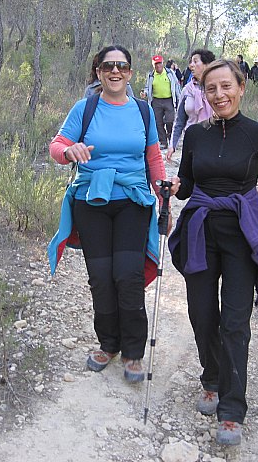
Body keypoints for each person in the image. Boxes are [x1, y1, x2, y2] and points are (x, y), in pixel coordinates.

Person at [167, 59, 258, 445]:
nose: (219, 94)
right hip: (201, 230)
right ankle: (211, 378)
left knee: (235, 322)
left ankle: (231, 408)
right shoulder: (196, 135)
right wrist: (174, 187)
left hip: (241, 235)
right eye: (211, 88)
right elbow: (188, 182)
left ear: (241, 87)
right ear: (204, 93)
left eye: (226, 86)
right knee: (202, 313)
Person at [48, 45, 168, 384]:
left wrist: (163, 193)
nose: (115, 71)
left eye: (122, 66)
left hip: (133, 200)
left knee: (128, 275)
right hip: (92, 200)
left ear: (130, 73)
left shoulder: (143, 111)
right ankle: (108, 344)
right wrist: (69, 151)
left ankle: (133, 352)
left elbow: (153, 158)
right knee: (100, 277)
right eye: (108, 66)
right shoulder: (84, 108)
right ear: (98, 72)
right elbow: (57, 145)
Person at [166, 49, 216, 162]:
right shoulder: (187, 90)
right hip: (191, 142)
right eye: (191, 62)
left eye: (195, 61)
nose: (191, 65)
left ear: (207, 65)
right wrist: (172, 145)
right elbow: (179, 121)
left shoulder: (217, 89)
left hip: (213, 142)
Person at [144, 55, 182, 149]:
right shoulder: (151, 75)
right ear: (153, 65)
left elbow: (176, 86)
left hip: (169, 100)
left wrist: (180, 98)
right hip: (156, 101)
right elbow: (147, 87)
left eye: (159, 63)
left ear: (162, 63)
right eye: (156, 64)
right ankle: (163, 142)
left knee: (170, 121)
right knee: (158, 123)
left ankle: (172, 141)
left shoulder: (170, 73)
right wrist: (144, 93)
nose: (158, 66)